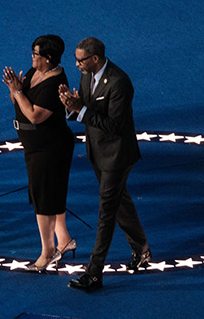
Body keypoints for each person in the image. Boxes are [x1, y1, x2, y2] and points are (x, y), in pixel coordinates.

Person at [59, 37, 150, 292]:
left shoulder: (119, 83)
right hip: (97, 152)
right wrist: (71, 107)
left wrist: (81, 110)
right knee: (120, 203)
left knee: (106, 212)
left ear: (95, 58)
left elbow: (114, 125)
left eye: (80, 60)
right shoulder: (88, 75)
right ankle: (141, 248)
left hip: (117, 156)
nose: (76, 64)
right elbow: (86, 109)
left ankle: (94, 273)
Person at [2, 35, 76, 271]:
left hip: (50, 148)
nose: (32, 57)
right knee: (49, 194)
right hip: (37, 146)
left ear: (49, 58)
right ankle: (64, 241)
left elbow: (34, 115)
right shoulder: (37, 73)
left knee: (44, 199)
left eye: (36, 54)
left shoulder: (55, 83)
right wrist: (16, 90)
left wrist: (18, 92)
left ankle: (48, 252)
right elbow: (20, 101)